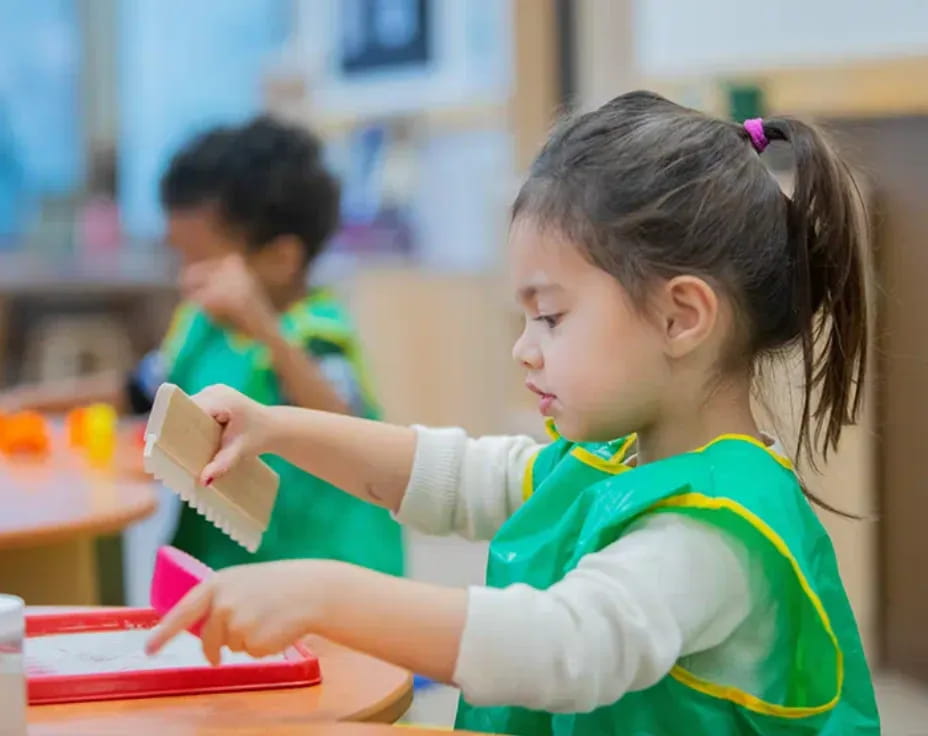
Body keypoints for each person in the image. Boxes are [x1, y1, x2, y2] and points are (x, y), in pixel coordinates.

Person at [146, 92, 880, 735]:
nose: (525, 352)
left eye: (551, 318)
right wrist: (277, 428)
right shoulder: (613, 457)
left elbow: (564, 647)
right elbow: (454, 474)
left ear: (681, 317)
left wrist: (321, 592)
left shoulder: (717, 534)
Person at [1, 117, 403, 576]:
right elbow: (140, 389)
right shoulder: (202, 324)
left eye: (201, 260)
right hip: (226, 563)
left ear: (281, 259)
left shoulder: (318, 333)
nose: (185, 277)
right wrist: (19, 402)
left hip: (325, 570)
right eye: (180, 256)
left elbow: (342, 426)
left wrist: (263, 326)